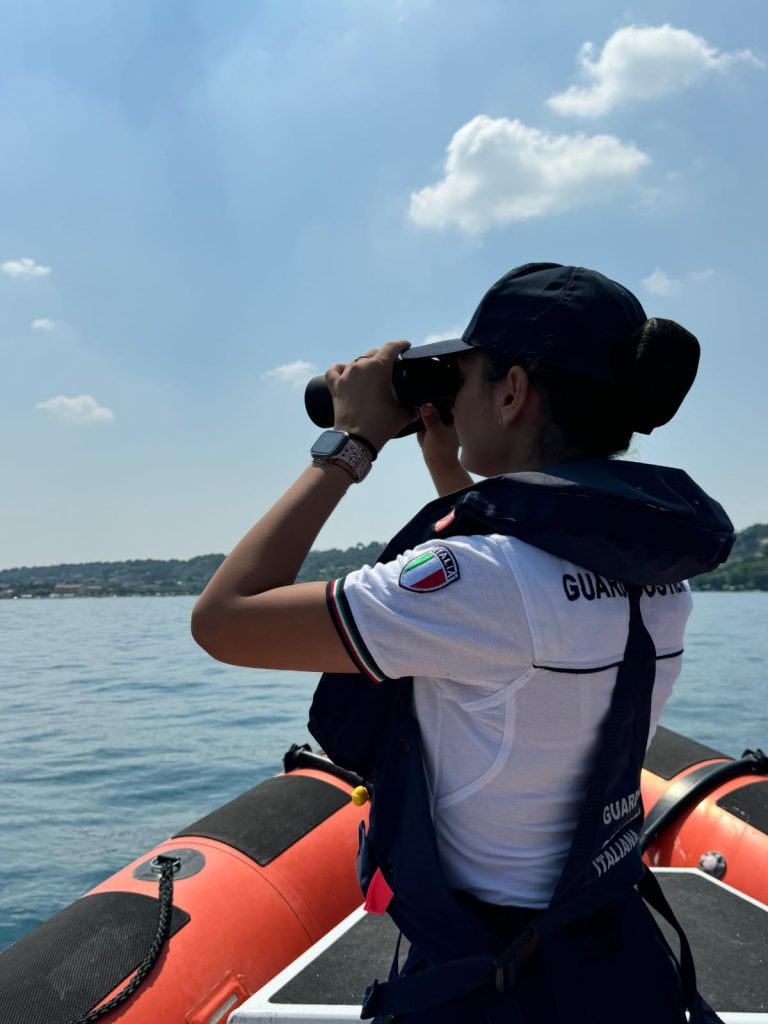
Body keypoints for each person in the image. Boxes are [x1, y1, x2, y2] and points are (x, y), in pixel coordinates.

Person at [192, 263, 733, 1023]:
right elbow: (519, 582)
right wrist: (448, 462)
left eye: (467, 376)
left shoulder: (481, 586)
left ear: (512, 393)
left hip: (492, 971)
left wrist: (349, 442)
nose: (454, 396)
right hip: (600, 941)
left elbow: (224, 619)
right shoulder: (657, 572)